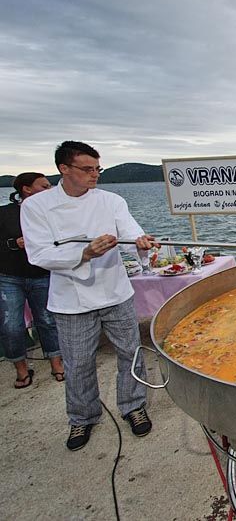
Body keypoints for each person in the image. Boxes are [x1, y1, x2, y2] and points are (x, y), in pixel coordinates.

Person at [21, 141, 156, 451]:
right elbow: (38, 254)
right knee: (78, 362)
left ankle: (133, 406)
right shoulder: (36, 207)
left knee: (130, 352)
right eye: (87, 169)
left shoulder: (111, 201)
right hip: (71, 298)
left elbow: (129, 231)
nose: (95, 174)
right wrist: (84, 252)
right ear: (63, 169)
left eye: (98, 168)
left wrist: (141, 242)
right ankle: (82, 418)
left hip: (115, 291)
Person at [0, 173, 63, 388]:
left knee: (47, 321)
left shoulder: (51, 215)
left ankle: (56, 363)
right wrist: (13, 244)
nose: (50, 189)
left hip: (42, 275)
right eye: (44, 186)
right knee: (11, 326)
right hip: (10, 277)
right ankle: (21, 369)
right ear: (27, 189)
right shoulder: (5, 214)